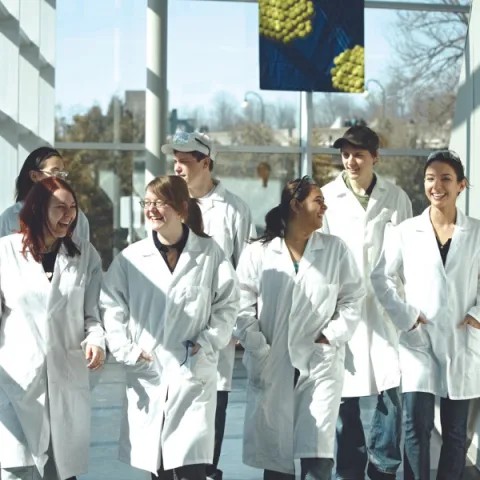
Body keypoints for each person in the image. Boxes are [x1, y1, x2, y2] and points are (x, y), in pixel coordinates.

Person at [100, 175, 239, 480]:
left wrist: (209, 338)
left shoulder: (209, 253)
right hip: (149, 372)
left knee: (191, 466)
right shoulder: (131, 258)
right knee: (159, 466)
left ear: (181, 208)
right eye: (147, 203)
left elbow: (228, 303)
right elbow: (110, 305)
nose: (151, 209)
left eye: (159, 202)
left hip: (193, 371)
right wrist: (127, 349)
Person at [234, 176, 364, 480]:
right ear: (295, 205)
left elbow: (353, 298)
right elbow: (240, 302)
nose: (325, 206)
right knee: (277, 461)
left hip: (319, 362)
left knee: (317, 456)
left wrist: (330, 335)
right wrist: (256, 344)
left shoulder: (335, 249)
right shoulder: (259, 252)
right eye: (317, 200)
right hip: (273, 361)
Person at [371, 150, 480, 480]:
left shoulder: (476, 232)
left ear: (461, 185)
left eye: (446, 178)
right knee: (415, 429)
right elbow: (380, 277)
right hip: (418, 340)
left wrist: (477, 314)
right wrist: (405, 316)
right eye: (430, 178)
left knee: (456, 434)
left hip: (462, 340)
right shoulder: (406, 231)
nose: (437, 185)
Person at [161, 132, 255, 480]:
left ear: (206, 162)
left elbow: (244, 273)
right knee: (167, 428)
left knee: (208, 426)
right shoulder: (166, 203)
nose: (178, 166)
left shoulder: (234, 210)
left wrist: (234, 327)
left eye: (185, 160)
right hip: (170, 334)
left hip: (215, 337)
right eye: (175, 159)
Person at [321, 125, 413, 480]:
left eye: (359, 154)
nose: (351, 161)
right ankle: (348, 469)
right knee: (346, 399)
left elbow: (408, 258)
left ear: (375, 157)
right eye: (345, 154)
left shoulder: (397, 198)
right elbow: (323, 258)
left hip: (387, 311)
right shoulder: (327, 197)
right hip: (344, 308)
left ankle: (384, 467)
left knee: (391, 392)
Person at [0, 177, 105, 480]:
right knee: (15, 470)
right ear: (37, 209)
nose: (68, 215)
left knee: (60, 472)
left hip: (65, 377)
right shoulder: (5, 253)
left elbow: (93, 316)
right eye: (60, 208)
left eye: (72, 208)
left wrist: (96, 340)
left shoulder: (86, 255)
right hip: (16, 383)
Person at [0, 147, 90, 240]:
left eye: (62, 174)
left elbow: (83, 252)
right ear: (34, 176)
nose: (61, 179)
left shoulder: (75, 217)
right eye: (55, 172)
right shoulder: (10, 218)